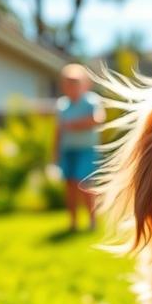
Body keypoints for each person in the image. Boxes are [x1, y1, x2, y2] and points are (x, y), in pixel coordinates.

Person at [54, 63, 105, 231]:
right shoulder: (62, 105)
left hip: (86, 150)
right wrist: (55, 152)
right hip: (68, 151)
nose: (71, 86)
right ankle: (73, 223)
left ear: (84, 84)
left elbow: (97, 119)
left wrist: (74, 125)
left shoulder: (91, 101)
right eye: (68, 82)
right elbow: (58, 131)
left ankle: (92, 221)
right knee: (70, 186)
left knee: (85, 185)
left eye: (75, 82)